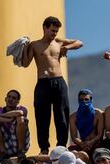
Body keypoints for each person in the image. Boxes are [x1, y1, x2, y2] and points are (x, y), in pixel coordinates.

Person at [21, 16, 83, 154]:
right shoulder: (35, 45)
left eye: (56, 31)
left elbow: (79, 43)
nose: (54, 33)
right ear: (45, 28)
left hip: (59, 81)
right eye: (52, 30)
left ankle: (61, 146)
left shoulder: (59, 42)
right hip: (43, 82)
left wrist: (67, 47)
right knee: (42, 116)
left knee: (61, 114)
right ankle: (44, 148)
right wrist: (25, 48)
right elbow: (25, 64)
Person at [0, 90, 30, 160]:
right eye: (9, 97)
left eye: (14, 98)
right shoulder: (0, 110)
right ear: (5, 99)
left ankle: (21, 152)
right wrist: (7, 119)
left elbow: (20, 113)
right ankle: (3, 153)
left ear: (18, 102)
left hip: (21, 144)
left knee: (21, 119)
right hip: (6, 145)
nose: (10, 99)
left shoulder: (21, 108)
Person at [69, 89, 104, 154]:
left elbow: (100, 134)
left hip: (96, 144)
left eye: (86, 99)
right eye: (81, 100)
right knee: (70, 152)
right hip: (82, 144)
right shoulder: (73, 117)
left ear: (91, 100)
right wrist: (82, 144)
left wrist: (91, 143)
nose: (84, 102)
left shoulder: (98, 114)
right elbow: (74, 137)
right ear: (78, 101)